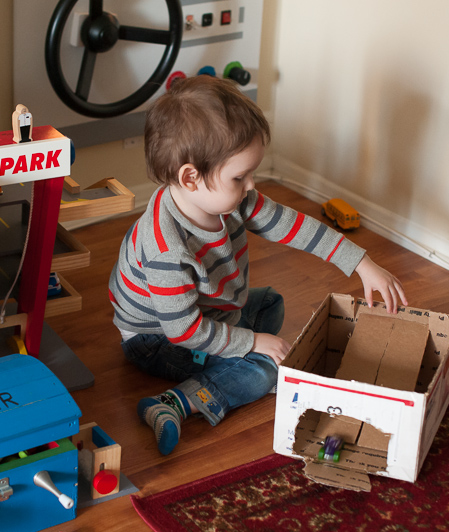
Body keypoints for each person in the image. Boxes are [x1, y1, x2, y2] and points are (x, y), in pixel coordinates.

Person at [107, 76, 407, 455]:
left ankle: (234, 360)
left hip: (202, 314)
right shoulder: (166, 248)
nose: (251, 185)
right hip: (157, 338)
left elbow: (294, 226)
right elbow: (184, 330)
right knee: (265, 369)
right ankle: (176, 402)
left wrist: (362, 263)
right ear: (190, 177)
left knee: (270, 303)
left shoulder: (230, 199)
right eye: (239, 176)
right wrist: (252, 343)